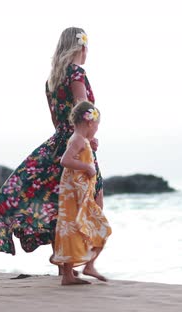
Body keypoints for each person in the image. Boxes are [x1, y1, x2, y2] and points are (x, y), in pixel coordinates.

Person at [0, 27, 103, 275]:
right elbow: (84, 108)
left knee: (58, 205)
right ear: (82, 48)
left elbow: (57, 118)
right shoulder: (76, 73)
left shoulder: (52, 80)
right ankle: (88, 264)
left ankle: (67, 270)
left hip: (57, 144)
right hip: (77, 143)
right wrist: (88, 137)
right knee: (94, 200)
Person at [50, 101, 111, 285]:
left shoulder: (81, 140)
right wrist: (86, 167)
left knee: (77, 228)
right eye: (97, 126)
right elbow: (65, 160)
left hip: (80, 193)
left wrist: (89, 147)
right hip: (74, 195)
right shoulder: (77, 139)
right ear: (90, 123)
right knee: (97, 227)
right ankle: (84, 267)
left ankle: (79, 270)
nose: (97, 130)